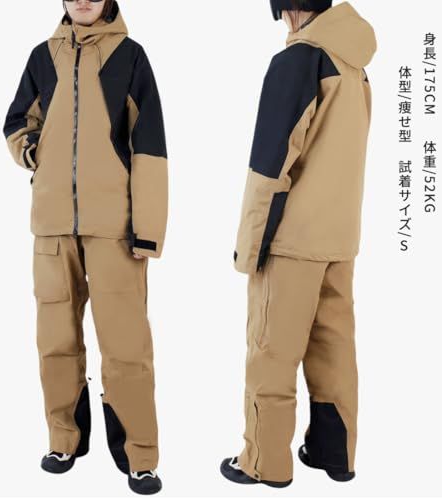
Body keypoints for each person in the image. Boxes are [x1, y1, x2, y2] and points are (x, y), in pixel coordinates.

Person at [2, 0, 168, 495]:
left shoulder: (130, 57)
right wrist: (35, 152)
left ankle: (139, 455)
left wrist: (147, 230)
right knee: (55, 342)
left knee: (126, 347)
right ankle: (63, 440)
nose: (83, 0)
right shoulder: (42, 56)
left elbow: (150, 146)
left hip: (114, 229)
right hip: (53, 227)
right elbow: (16, 122)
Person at [221, 0, 376, 489]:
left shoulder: (297, 60)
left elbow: (270, 162)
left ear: (285, 9)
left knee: (271, 353)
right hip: (340, 237)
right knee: (334, 350)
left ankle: (263, 463)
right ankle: (334, 454)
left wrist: (250, 245)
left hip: (291, 241)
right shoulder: (355, 66)